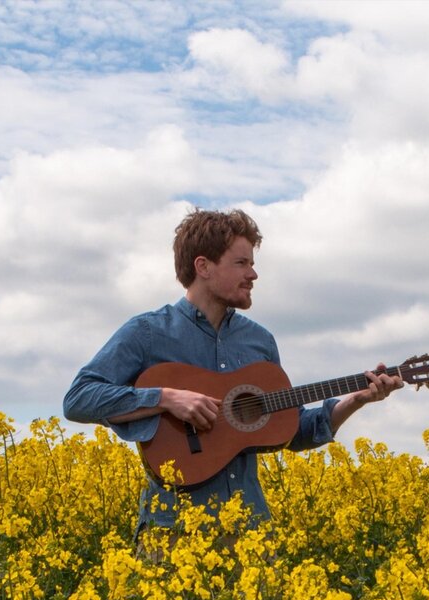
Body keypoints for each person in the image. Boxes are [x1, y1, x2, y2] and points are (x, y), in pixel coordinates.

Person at [63, 208, 402, 536]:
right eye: (241, 263)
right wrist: (166, 399)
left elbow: (292, 429)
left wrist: (356, 399)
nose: (253, 274)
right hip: (172, 533)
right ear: (203, 266)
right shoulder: (148, 332)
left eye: (252, 264)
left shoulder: (259, 342)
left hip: (251, 535)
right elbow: (79, 398)